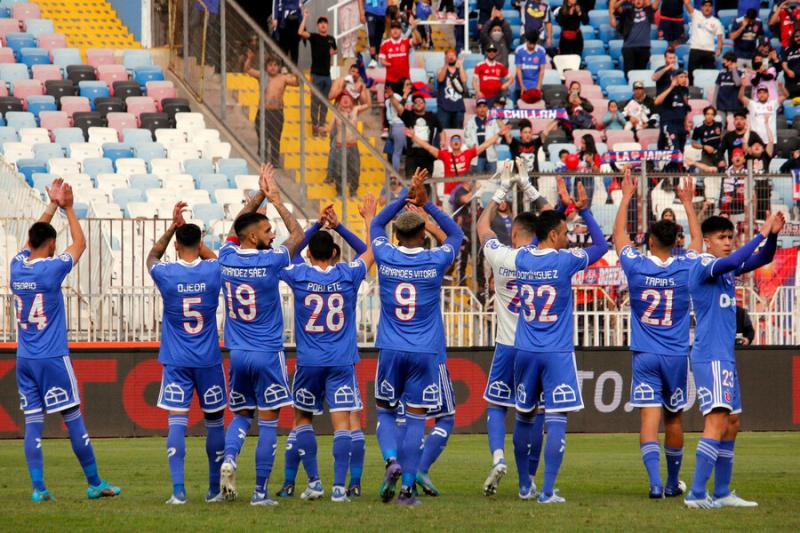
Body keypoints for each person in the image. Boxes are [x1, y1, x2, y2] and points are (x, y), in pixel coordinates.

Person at [12, 178, 120, 503]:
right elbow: (81, 244)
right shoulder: (51, 269)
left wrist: (51, 207)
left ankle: (38, 488)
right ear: (49, 246)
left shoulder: (16, 267)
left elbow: (34, 237)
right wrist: (68, 207)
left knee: (33, 423)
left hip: (25, 359)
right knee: (72, 418)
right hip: (53, 358)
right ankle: (95, 482)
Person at [370, 169, 464, 506]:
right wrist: (428, 205)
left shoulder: (384, 254)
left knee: (383, 411)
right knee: (415, 420)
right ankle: (408, 489)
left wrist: (403, 198)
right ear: (424, 235)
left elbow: (376, 225)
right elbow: (456, 235)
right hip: (425, 352)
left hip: (391, 348)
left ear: (396, 236)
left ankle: (390, 460)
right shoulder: (435, 259)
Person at [512, 182, 609, 503]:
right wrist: (583, 210)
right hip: (555, 352)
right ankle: (548, 491)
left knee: (524, 417)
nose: (569, 237)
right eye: (565, 232)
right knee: (556, 419)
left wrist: (563, 210)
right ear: (554, 235)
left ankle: (525, 485)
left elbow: (543, 233)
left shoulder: (523, 258)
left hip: (524, 350)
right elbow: (601, 246)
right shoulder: (565, 261)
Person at [477, 163, 569, 497]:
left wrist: (501, 191)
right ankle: (528, 482)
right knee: (533, 414)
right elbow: (555, 219)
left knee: (498, 406)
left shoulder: (504, 257)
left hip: (507, 345)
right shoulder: (552, 255)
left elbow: (481, 227)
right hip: (541, 343)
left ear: (514, 234)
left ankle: (500, 457)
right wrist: (528, 187)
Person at [216, 165, 304, 506]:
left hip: (237, 352)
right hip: (268, 352)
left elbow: (238, 224)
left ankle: (230, 459)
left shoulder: (226, 256)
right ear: (253, 237)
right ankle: (260, 493)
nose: (272, 234)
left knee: (240, 415)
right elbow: (298, 234)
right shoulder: (271, 261)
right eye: (267, 230)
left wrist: (257, 197)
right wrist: (276, 199)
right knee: (269, 422)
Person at [683, 211, 784, 508]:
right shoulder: (702, 264)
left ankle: (722, 492)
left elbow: (762, 259)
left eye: (730, 237)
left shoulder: (726, 269)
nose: (727, 243)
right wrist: (762, 232)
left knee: (732, 422)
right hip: (710, 356)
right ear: (707, 242)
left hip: (724, 356)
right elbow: (734, 260)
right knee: (716, 421)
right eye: (721, 238)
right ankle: (697, 494)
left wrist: (774, 235)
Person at [613, 171, 703, 499]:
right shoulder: (686, 266)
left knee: (648, 421)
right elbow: (698, 243)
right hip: (677, 355)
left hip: (645, 354)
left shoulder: (637, 265)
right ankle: (671, 482)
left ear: (650, 241)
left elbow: (618, 236)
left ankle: (654, 484)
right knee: (674, 419)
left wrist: (626, 196)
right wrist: (689, 205)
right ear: (675, 241)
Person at [278, 209, 371, 503]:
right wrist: (342, 226)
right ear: (334, 252)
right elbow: (370, 251)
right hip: (341, 361)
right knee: (343, 424)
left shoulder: (299, 273)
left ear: (308, 253)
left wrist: (315, 225)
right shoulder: (348, 274)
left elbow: (286, 250)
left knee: (302, 420)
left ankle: (314, 481)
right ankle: (340, 489)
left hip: (309, 361)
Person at [147, 201, 224, 505]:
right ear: (199, 242)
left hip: (177, 361)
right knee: (215, 422)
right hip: (208, 360)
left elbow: (151, 256)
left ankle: (178, 491)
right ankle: (214, 489)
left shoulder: (166, 273)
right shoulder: (213, 269)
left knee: (177, 423)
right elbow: (216, 258)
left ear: (177, 246)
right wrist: (199, 243)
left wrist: (171, 228)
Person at [245, 55, 298, 168]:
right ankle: (262, 160)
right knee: (262, 137)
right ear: (266, 67)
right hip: (263, 112)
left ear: (279, 67)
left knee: (275, 139)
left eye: (275, 65)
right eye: (270, 65)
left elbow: (297, 83)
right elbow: (248, 70)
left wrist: (296, 72)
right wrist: (249, 58)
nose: (272, 68)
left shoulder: (283, 78)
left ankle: (274, 162)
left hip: (277, 112)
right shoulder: (262, 76)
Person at [406, 126, 508, 184]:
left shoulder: (468, 154)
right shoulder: (445, 155)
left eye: (458, 140)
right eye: (453, 140)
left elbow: (485, 145)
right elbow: (428, 147)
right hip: (449, 192)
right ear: (450, 143)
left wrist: (498, 135)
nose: (456, 142)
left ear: (461, 143)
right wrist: (414, 137)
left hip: (465, 190)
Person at [299, 11, 338, 137]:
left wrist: (333, 52)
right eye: (320, 23)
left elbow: (335, 50)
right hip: (315, 75)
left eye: (325, 23)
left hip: (327, 75)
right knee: (315, 101)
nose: (323, 25)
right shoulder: (314, 37)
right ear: (317, 26)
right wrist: (305, 17)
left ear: (327, 25)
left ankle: (321, 126)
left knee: (325, 103)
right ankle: (315, 125)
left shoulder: (331, 39)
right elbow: (300, 32)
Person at [323, 93, 370, 198]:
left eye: (347, 98)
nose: (345, 100)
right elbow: (329, 128)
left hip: (353, 146)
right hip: (340, 146)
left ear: (351, 101)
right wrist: (322, 129)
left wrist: (365, 88)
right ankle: (339, 192)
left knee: (355, 170)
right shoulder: (336, 113)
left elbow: (368, 104)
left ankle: (353, 191)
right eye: (342, 98)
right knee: (338, 170)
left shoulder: (355, 110)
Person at [393, 92, 442, 178]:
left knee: (427, 184)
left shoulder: (432, 116)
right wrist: (402, 96)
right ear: (413, 105)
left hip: (427, 156)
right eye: (416, 102)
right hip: (412, 156)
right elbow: (399, 108)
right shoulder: (409, 115)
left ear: (425, 104)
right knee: (411, 183)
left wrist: (443, 142)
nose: (418, 104)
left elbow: (441, 130)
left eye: (420, 102)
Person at [685, 0, 724, 86]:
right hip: (695, 49)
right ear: (701, 7)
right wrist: (687, 2)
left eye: (709, 6)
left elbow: (720, 38)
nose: (707, 8)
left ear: (712, 8)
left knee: (709, 75)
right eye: (705, 5)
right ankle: (692, 93)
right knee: (691, 75)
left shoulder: (716, 21)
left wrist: (719, 48)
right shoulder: (695, 14)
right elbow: (687, 3)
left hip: (709, 51)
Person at [612, 0, 654, 76]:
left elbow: (656, 3)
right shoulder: (627, 12)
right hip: (629, 48)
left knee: (641, 75)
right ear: (632, 1)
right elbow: (615, 7)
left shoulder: (649, 11)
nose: (638, 1)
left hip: (644, 48)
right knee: (629, 74)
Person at [738, 80, 784, 148]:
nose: (762, 94)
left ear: (768, 94)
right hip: (755, 140)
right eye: (759, 93)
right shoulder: (752, 104)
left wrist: (781, 88)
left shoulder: (773, 104)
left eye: (764, 92)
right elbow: (740, 97)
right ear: (757, 95)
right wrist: (743, 86)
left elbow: (785, 96)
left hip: (770, 140)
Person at [380, 20, 421, 95]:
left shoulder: (406, 41)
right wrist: (387, 63)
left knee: (406, 104)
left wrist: (414, 29)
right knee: (389, 104)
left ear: (401, 30)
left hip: (405, 81)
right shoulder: (385, 43)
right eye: (393, 28)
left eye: (397, 28)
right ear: (390, 30)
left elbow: (418, 41)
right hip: (390, 81)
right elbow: (382, 59)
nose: (395, 30)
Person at [464, 98, 502, 174]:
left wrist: (497, 141)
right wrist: (472, 145)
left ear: (487, 108)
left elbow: (498, 135)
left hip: (491, 157)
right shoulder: (470, 122)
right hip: (477, 157)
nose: (482, 109)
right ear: (476, 109)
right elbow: (466, 137)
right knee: (478, 182)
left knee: (492, 181)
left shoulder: (493, 121)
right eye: (480, 107)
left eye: (484, 106)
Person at [655, 69, 690, 151]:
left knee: (681, 150)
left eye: (685, 77)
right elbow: (657, 102)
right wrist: (671, 87)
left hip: (680, 123)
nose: (684, 79)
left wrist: (686, 123)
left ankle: (675, 163)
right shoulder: (666, 87)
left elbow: (685, 107)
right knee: (675, 148)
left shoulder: (685, 90)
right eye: (681, 77)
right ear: (674, 78)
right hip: (669, 123)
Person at [384, 78, 413, 172]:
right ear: (402, 86)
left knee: (410, 152)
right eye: (407, 84)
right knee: (397, 152)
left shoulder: (411, 97)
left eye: (410, 84)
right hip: (398, 126)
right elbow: (399, 109)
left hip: (407, 126)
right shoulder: (395, 96)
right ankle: (395, 175)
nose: (410, 86)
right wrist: (405, 95)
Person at [436, 49, 467, 129]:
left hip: (458, 108)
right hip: (444, 108)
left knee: (457, 134)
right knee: (444, 132)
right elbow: (440, 79)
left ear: (456, 57)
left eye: (453, 55)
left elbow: (464, 80)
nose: (451, 57)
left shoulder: (460, 70)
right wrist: (445, 64)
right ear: (445, 57)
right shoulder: (440, 70)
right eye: (448, 56)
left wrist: (461, 66)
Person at [516, 30, 548, 104]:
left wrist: (538, 87)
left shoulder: (541, 51)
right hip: (521, 85)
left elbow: (542, 70)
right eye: (530, 44)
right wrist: (521, 86)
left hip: (535, 85)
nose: (532, 46)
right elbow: (518, 70)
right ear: (526, 40)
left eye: (534, 44)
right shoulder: (519, 50)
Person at [714, 52, 744, 126]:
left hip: (733, 105)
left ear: (730, 61)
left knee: (732, 126)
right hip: (721, 104)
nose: (722, 62)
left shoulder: (740, 72)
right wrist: (714, 103)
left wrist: (733, 69)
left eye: (724, 60)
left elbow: (737, 83)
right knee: (720, 125)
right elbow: (717, 88)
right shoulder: (721, 73)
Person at [364, 0, 388, 67]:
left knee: (379, 36)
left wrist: (388, 11)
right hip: (370, 11)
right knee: (371, 34)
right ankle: (373, 58)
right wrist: (361, 12)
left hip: (383, 12)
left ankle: (376, 55)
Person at [781, 30, 800, 98]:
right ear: (793, 38)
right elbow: (784, 63)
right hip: (792, 82)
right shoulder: (787, 50)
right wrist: (788, 71)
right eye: (796, 36)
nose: (799, 38)